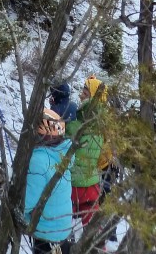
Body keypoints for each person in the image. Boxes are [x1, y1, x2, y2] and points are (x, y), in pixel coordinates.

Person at [24, 109, 74, 254]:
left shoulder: (39, 161)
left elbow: (27, 202)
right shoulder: (63, 153)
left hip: (46, 231)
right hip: (62, 228)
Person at [66, 76, 107, 229]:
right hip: (93, 184)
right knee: (92, 233)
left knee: (62, 229)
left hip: (73, 185)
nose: (80, 94)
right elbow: (105, 157)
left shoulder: (76, 124)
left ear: (92, 95)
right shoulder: (104, 123)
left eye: (85, 91)